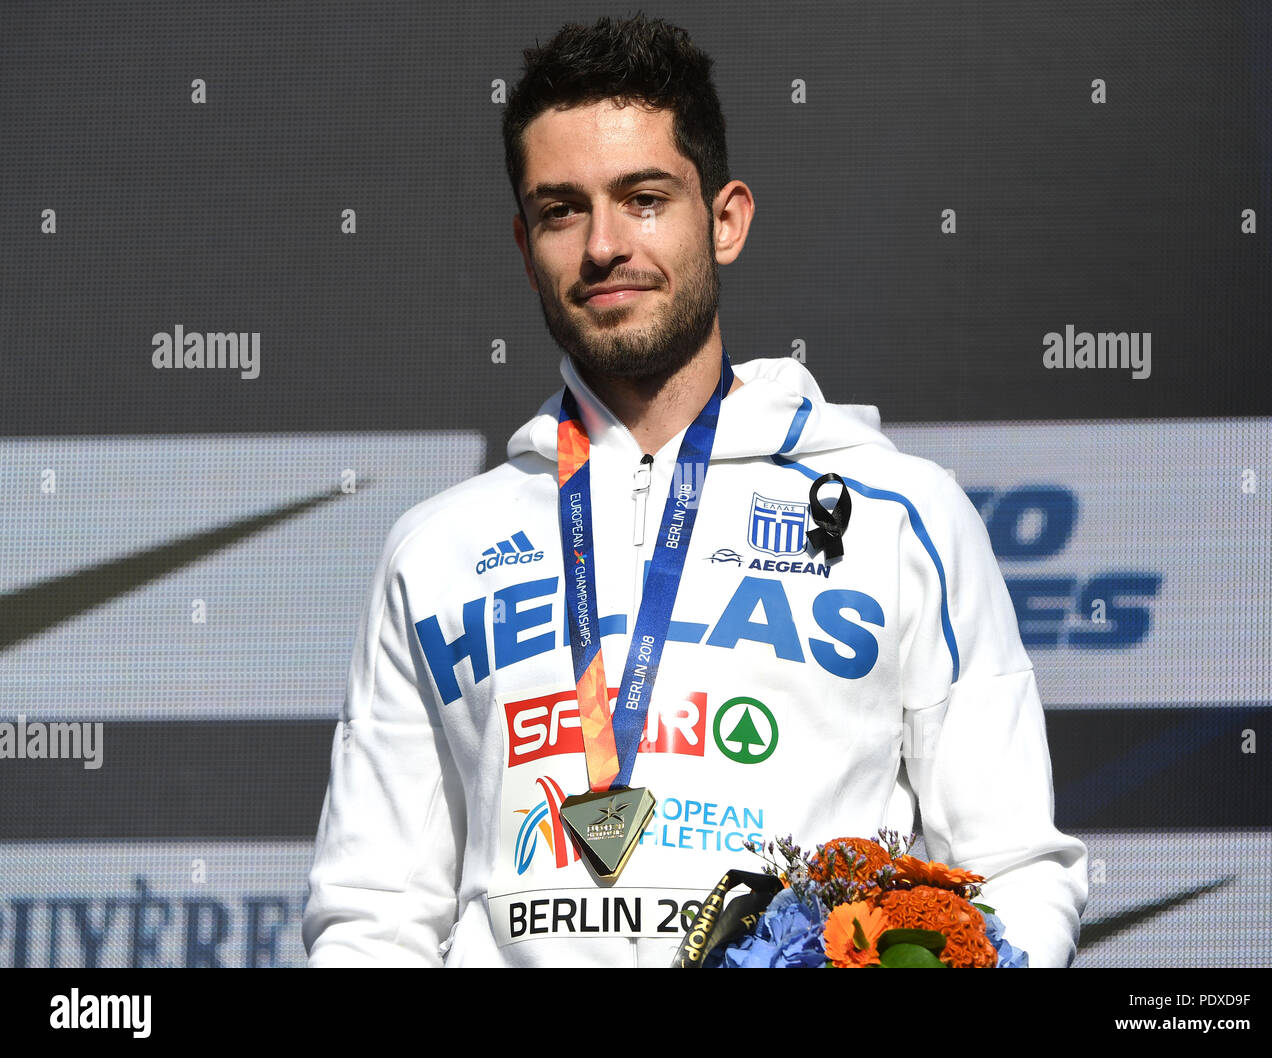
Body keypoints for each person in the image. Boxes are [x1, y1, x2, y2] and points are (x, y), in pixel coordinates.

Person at [302, 12, 1088, 968]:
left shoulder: (900, 515)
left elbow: (1013, 871)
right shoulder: (437, 549)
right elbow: (371, 918)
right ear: (524, 243)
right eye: (561, 209)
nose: (602, 246)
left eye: (643, 198)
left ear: (725, 220)